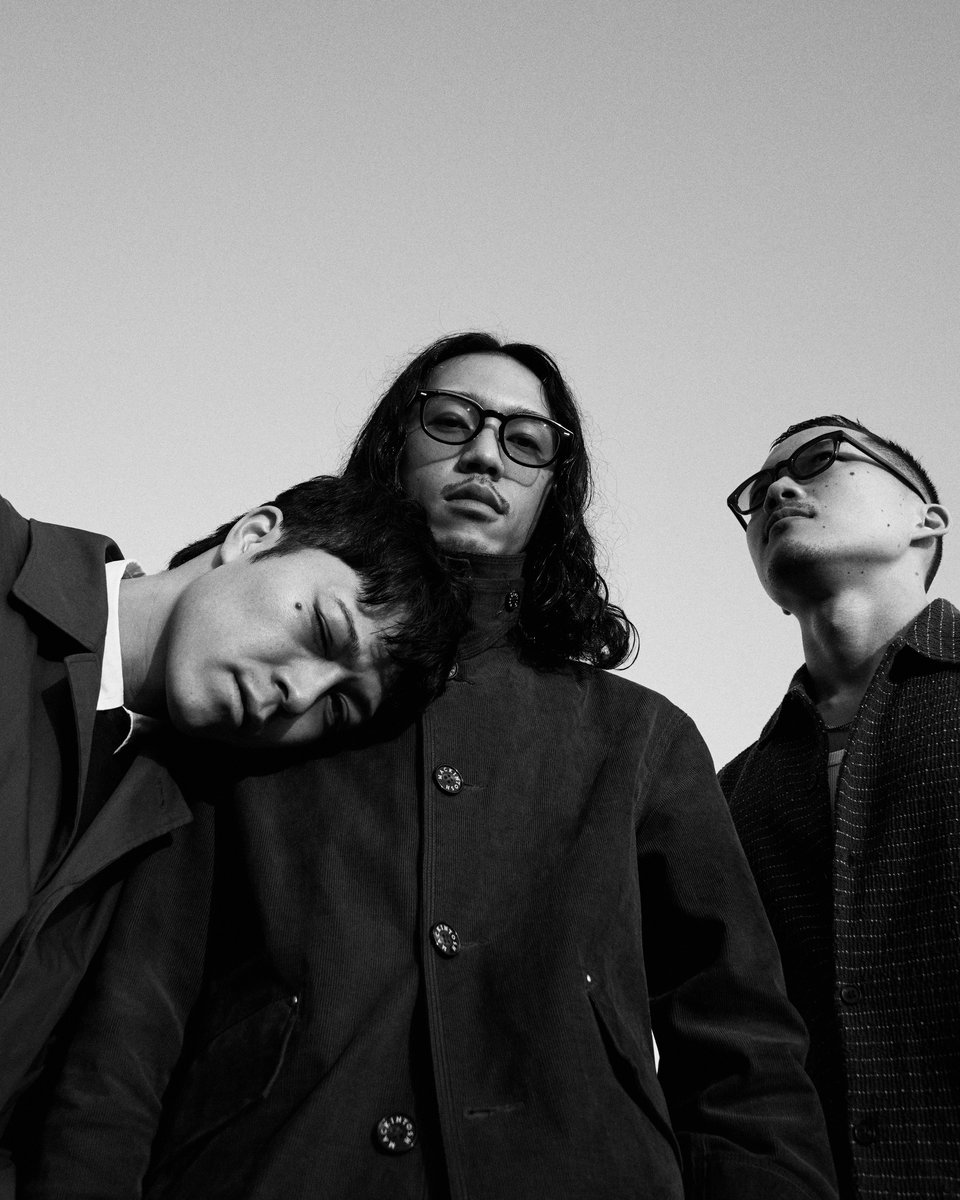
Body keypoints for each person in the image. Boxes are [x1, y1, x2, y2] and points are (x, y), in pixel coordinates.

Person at [24, 336, 837, 1200]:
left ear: (553, 489)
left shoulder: (641, 739)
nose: (485, 453)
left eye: (526, 442)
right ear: (394, 446)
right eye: (450, 421)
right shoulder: (256, 699)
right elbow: (128, 1029)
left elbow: (739, 1043)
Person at [0, 473, 465, 1186]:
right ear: (254, 537)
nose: (300, 693)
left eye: (339, 707)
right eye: (324, 631)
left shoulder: (172, 835)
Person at [718, 416, 957, 1199]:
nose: (779, 490)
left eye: (821, 459)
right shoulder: (725, 794)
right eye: (758, 490)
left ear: (927, 521)